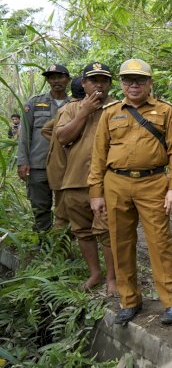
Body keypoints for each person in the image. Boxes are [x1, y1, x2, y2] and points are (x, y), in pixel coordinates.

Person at [88, 58, 172, 326]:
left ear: (149, 83)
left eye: (140, 80)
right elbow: (98, 156)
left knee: (160, 242)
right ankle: (129, 300)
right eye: (128, 80)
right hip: (115, 183)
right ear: (121, 84)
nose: (133, 85)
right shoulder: (110, 112)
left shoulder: (166, 111)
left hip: (153, 183)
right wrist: (96, 193)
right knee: (120, 241)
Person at [55, 64, 117, 295]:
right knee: (82, 231)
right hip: (75, 179)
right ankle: (95, 273)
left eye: (103, 80)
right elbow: (61, 137)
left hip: (106, 182)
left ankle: (112, 277)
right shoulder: (71, 109)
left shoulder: (118, 107)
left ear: (110, 84)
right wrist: (84, 111)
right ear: (84, 83)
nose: (99, 84)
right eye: (93, 80)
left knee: (107, 231)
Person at [17, 63, 71, 233]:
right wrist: (22, 161)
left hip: (66, 165)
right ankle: (43, 241)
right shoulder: (35, 102)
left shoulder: (76, 104)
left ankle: (64, 243)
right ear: (48, 81)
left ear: (67, 79)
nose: (56, 81)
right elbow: (25, 134)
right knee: (40, 206)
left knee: (67, 206)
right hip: (38, 164)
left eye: (60, 77)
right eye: (52, 78)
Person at [43, 76, 85, 233]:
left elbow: (46, 130)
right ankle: (61, 251)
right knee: (63, 213)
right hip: (64, 170)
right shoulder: (76, 110)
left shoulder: (63, 110)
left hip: (58, 167)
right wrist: (67, 143)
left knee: (65, 210)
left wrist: (58, 141)